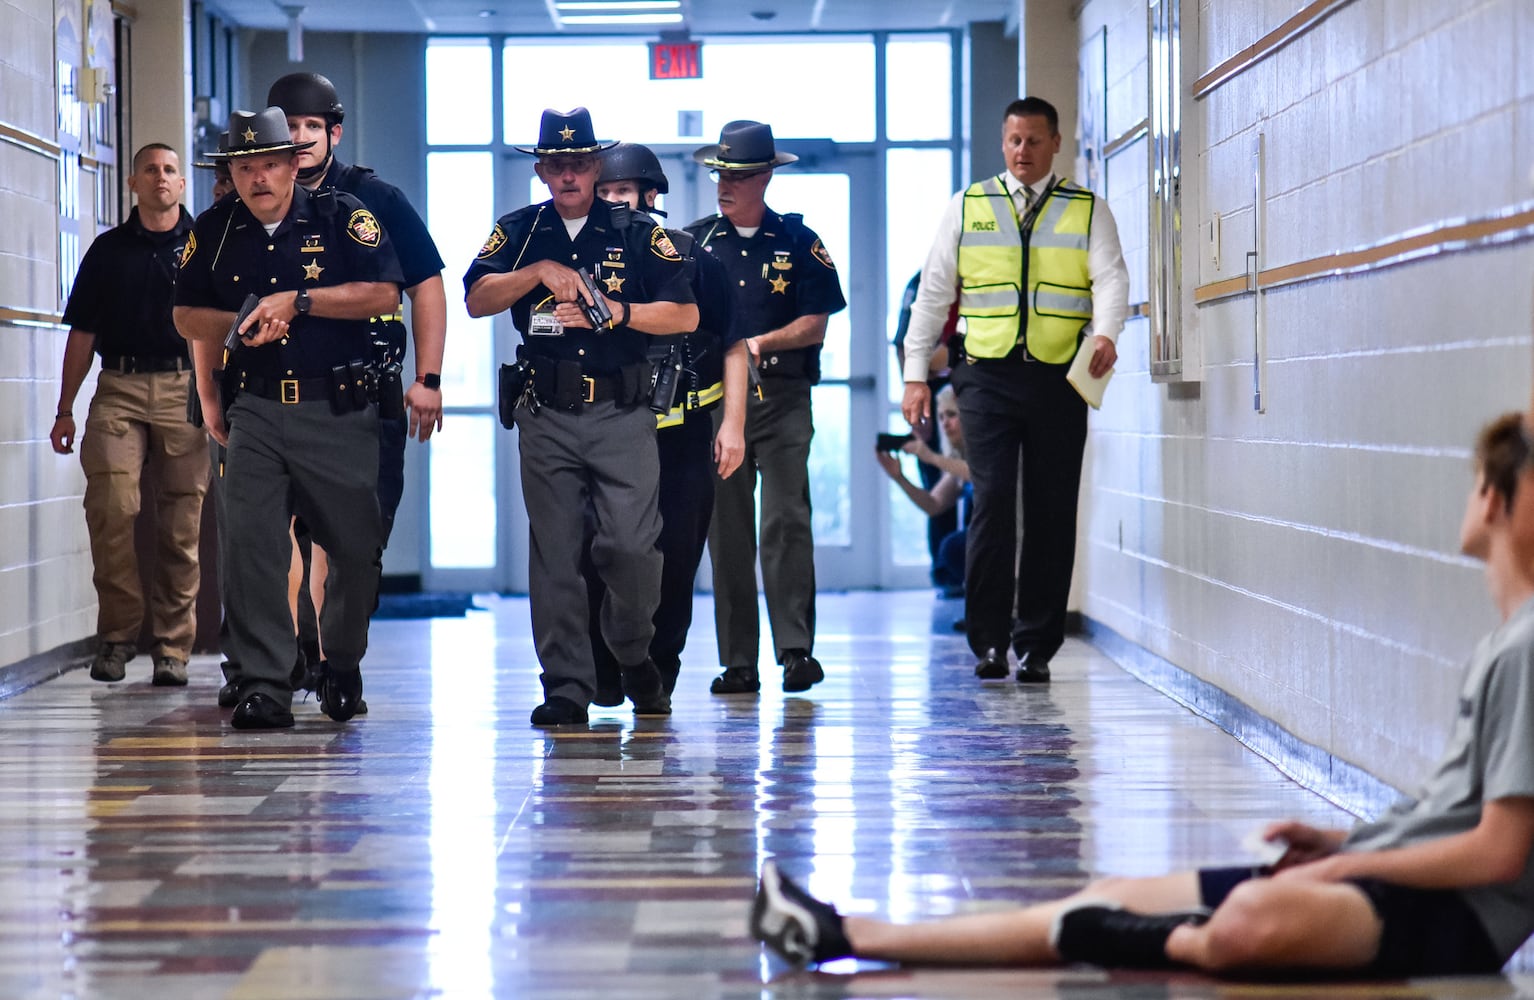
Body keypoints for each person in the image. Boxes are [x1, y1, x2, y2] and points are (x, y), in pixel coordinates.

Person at [751, 411, 1534, 977]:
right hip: (1380, 875)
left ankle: (1149, 939)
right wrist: (1339, 847)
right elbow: (1458, 810)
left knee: (1238, 925)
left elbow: (1501, 849)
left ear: (1496, 503)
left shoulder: (1527, 647)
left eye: (1474, 484)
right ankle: (848, 933)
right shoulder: (1508, 640)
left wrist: (1337, 873)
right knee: (1114, 892)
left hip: (1451, 915)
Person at [464, 108, 698, 727]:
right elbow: (475, 298)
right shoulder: (520, 229)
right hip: (546, 412)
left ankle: (632, 653)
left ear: (597, 167)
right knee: (557, 553)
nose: (569, 175)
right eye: (557, 165)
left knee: (629, 548)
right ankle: (566, 684)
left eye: (581, 164)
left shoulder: (638, 234)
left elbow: (684, 315)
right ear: (541, 170)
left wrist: (615, 312)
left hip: (621, 413)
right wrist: (536, 273)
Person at [173, 107, 404, 730]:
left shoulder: (342, 217)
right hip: (256, 408)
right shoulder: (216, 229)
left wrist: (298, 303)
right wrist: (247, 319)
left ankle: (342, 660)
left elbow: (384, 294)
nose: (258, 178)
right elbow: (187, 315)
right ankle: (264, 683)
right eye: (243, 167)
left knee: (354, 550)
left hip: (337, 409)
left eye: (269, 164)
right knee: (252, 549)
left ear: (293, 163)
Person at [900, 96, 1129, 685]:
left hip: (1058, 377)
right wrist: (915, 376)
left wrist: (1106, 332)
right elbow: (932, 295)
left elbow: (1111, 276)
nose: (1022, 151)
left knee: (1052, 507)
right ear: (1002, 144)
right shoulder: (970, 206)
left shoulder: (1086, 210)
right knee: (993, 503)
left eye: (1033, 140)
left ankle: (1035, 645)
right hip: (987, 376)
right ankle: (990, 642)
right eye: (1013, 141)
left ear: (1056, 143)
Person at [265, 72, 448, 705]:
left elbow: (426, 285)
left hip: (364, 393)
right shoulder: (256, 203)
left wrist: (428, 378)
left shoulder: (375, 199)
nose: (300, 139)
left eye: (311, 127)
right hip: (278, 394)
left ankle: (339, 658)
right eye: (288, 127)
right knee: (277, 539)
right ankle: (287, 660)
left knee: (356, 540)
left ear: (333, 132)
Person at [685, 120, 847, 697]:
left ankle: (796, 650)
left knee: (785, 519)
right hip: (716, 403)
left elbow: (816, 322)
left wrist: (759, 344)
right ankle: (738, 662)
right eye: (720, 174)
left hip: (781, 398)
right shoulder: (696, 243)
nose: (725, 186)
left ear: (766, 179)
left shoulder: (800, 243)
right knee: (727, 531)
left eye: (739, 176)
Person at [582, 142, 747, 703]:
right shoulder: (579, 260)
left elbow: (734, 344)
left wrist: (734, 427)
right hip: (605, 431)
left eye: (621, 192)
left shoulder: (694, 259)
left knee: (677, 558)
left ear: (651, 196)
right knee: (601, 552)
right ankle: (604, 669)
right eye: (603, 193)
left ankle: (658, 671)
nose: (612, 202)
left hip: (684, 433)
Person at [50, 142, 208, 687]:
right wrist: (65, 407)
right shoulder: (108, 251)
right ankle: (117, 638)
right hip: (117, 386)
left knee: (181, 525)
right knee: (113, 508)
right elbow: (83, 334)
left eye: (170, 171)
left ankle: (172, 648)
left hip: (185, 386)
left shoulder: (204, 246)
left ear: (182, 185)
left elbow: (226, 326)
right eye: (150, 170)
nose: (160, 178)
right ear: (133, 184)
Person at [892, 271, 959, 579]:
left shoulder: (985, 274)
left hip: (972, 389)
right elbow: (904, 345)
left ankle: (970, 569)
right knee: (938, 482)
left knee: (972, 485)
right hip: (931, 391)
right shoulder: (922, 281)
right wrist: (917, 407)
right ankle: (946, 570)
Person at [876, 385, 969, 595]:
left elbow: (977, 473)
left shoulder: (985, 451)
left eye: (952, 415)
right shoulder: (955, 458)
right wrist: (899, 478)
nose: (945, 423)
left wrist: (932, 458)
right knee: (951, 548)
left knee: (955, 547)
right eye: (941, 417)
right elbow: (934, 504)